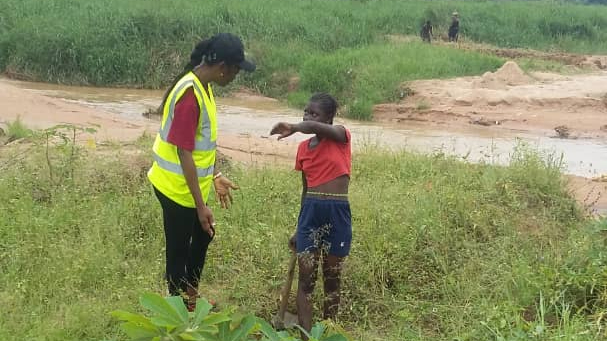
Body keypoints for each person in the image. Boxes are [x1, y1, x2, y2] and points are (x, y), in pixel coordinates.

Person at [148, 33, 255, 311]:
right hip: (175, 189)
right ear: (223, 67)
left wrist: (216, 176)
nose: (235, 76)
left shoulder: (201, 86)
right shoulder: (189, 94)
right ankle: (176, 313)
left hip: (185, 185)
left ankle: (190, 298)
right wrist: (200, 205)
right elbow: (184, 153)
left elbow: (197, 148)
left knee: (205, 235)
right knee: (178, 254)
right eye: (235, 70)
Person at [270, 93, 352, 339]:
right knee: (306, 280)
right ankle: (306, 336)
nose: (308, 117)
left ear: (329, 118)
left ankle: (328, 332)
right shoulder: (303, 148)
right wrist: (299, 227)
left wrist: (296, 127)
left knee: (332, 278)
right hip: (311, 214)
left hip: (337, 212)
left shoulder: (341, 136)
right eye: (305, 112)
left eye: (314, 114)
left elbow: (314, 128)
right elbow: (306, 189)